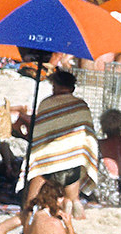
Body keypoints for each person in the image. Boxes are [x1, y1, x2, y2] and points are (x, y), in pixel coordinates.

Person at [24, 69, 94, 210]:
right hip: (73, 161)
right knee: (74, 202)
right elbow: (88, 138)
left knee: (29, 203)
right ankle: (71, 203)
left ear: (55, 85)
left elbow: (39, 135)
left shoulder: (46, 104)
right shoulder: (81, 105)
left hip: (47, 163)